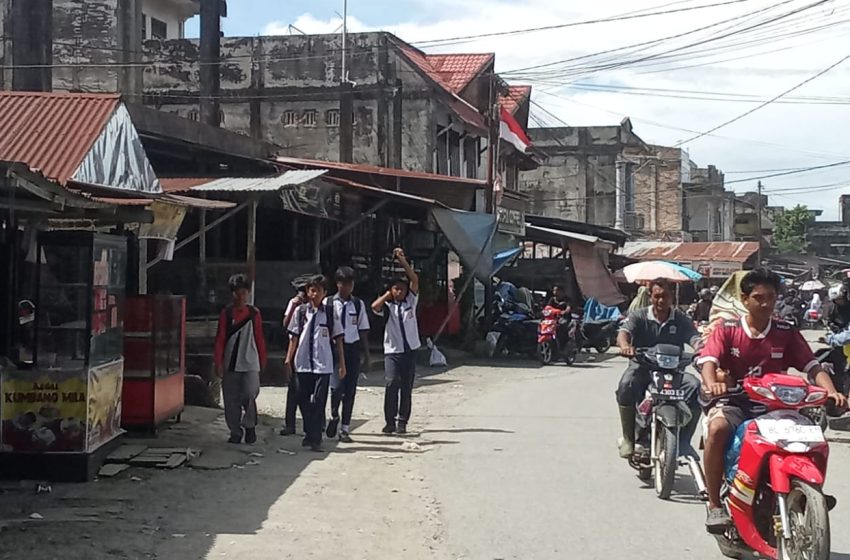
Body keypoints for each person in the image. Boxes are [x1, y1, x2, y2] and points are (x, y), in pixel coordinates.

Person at [696, 268, 846, 532]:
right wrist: (713, 384)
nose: (766, 304)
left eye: (771, 297)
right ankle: (715, 503)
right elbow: (709, 361)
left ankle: (811, 491)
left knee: (813, 438)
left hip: (778, 407)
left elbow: (812, 366)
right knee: (718, 430)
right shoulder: (727, 330)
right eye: (758, 297)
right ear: (744, 299)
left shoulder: (785, 331)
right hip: (736, 403)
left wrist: (831, 391)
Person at [615, 278, 702, 459]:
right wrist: (625, 346)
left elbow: (695, 338)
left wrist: (702, 350)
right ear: (650, 296)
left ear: (673, 297)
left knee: (696, 388)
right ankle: (629, 438)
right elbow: (624, 333)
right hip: (642, 368)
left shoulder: (680, 318)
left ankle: (684, 442)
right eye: (657, 296)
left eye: (666, 296)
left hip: (673, 372)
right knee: (626, 385)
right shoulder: (639, 316)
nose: (661, 301)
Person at [286, 275, 345, 452]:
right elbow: (294, 337)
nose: (315, 294)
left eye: (319, 290)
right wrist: (288, 359)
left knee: (319, 401)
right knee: (303, 400)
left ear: (324, 293)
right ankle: (309, 433)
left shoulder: (329, 313)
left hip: (323, 364)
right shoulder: (301, 312)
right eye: (312, 290)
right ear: (307, 292)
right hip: (303, 363)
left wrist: (342, 363)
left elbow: (339, 339)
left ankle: (316, 439)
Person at [213, 274, 267, 445]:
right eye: (238, 293)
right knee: (230, 399)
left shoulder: (254, 313)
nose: (241, 296)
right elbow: (221, 338)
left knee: (251, 393)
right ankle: (235, 432)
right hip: (230, 362)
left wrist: (262, 358)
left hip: (250, 361)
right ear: (233, 294)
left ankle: (250, 425)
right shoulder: (227, 314)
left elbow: (259, 337)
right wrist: (218, 362)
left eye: (244, 293)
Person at [371, 248, 420, 435]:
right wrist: (386, 296)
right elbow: (374, 307)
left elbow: (414, 279)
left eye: (402, 289)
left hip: (410, 350)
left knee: (406, 387)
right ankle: (389, 421)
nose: (399, 292)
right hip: (392, 351)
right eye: (396, 289)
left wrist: (402, 261)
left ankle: (402, 421)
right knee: (392, 383)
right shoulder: (389, 307)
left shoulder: (411, 303)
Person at [326, 266, 371, 443]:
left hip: (352, 349)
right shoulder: (329, 303)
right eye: (344, 283)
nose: (348, 287)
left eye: (351, 283)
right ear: (338, 284)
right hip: (334, 349)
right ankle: (334, 414)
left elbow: (363, 331)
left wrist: (366, 356)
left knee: (350, 390)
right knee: (336, 387)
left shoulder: (357, 304)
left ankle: (345, 428)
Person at [279, 284, 307, 436]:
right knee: (293, 390)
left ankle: (314, 423)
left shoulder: (316, 307)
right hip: (294, 348)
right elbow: (286, 324)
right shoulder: (295, 305)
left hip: (310, 352)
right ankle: (290, 424)